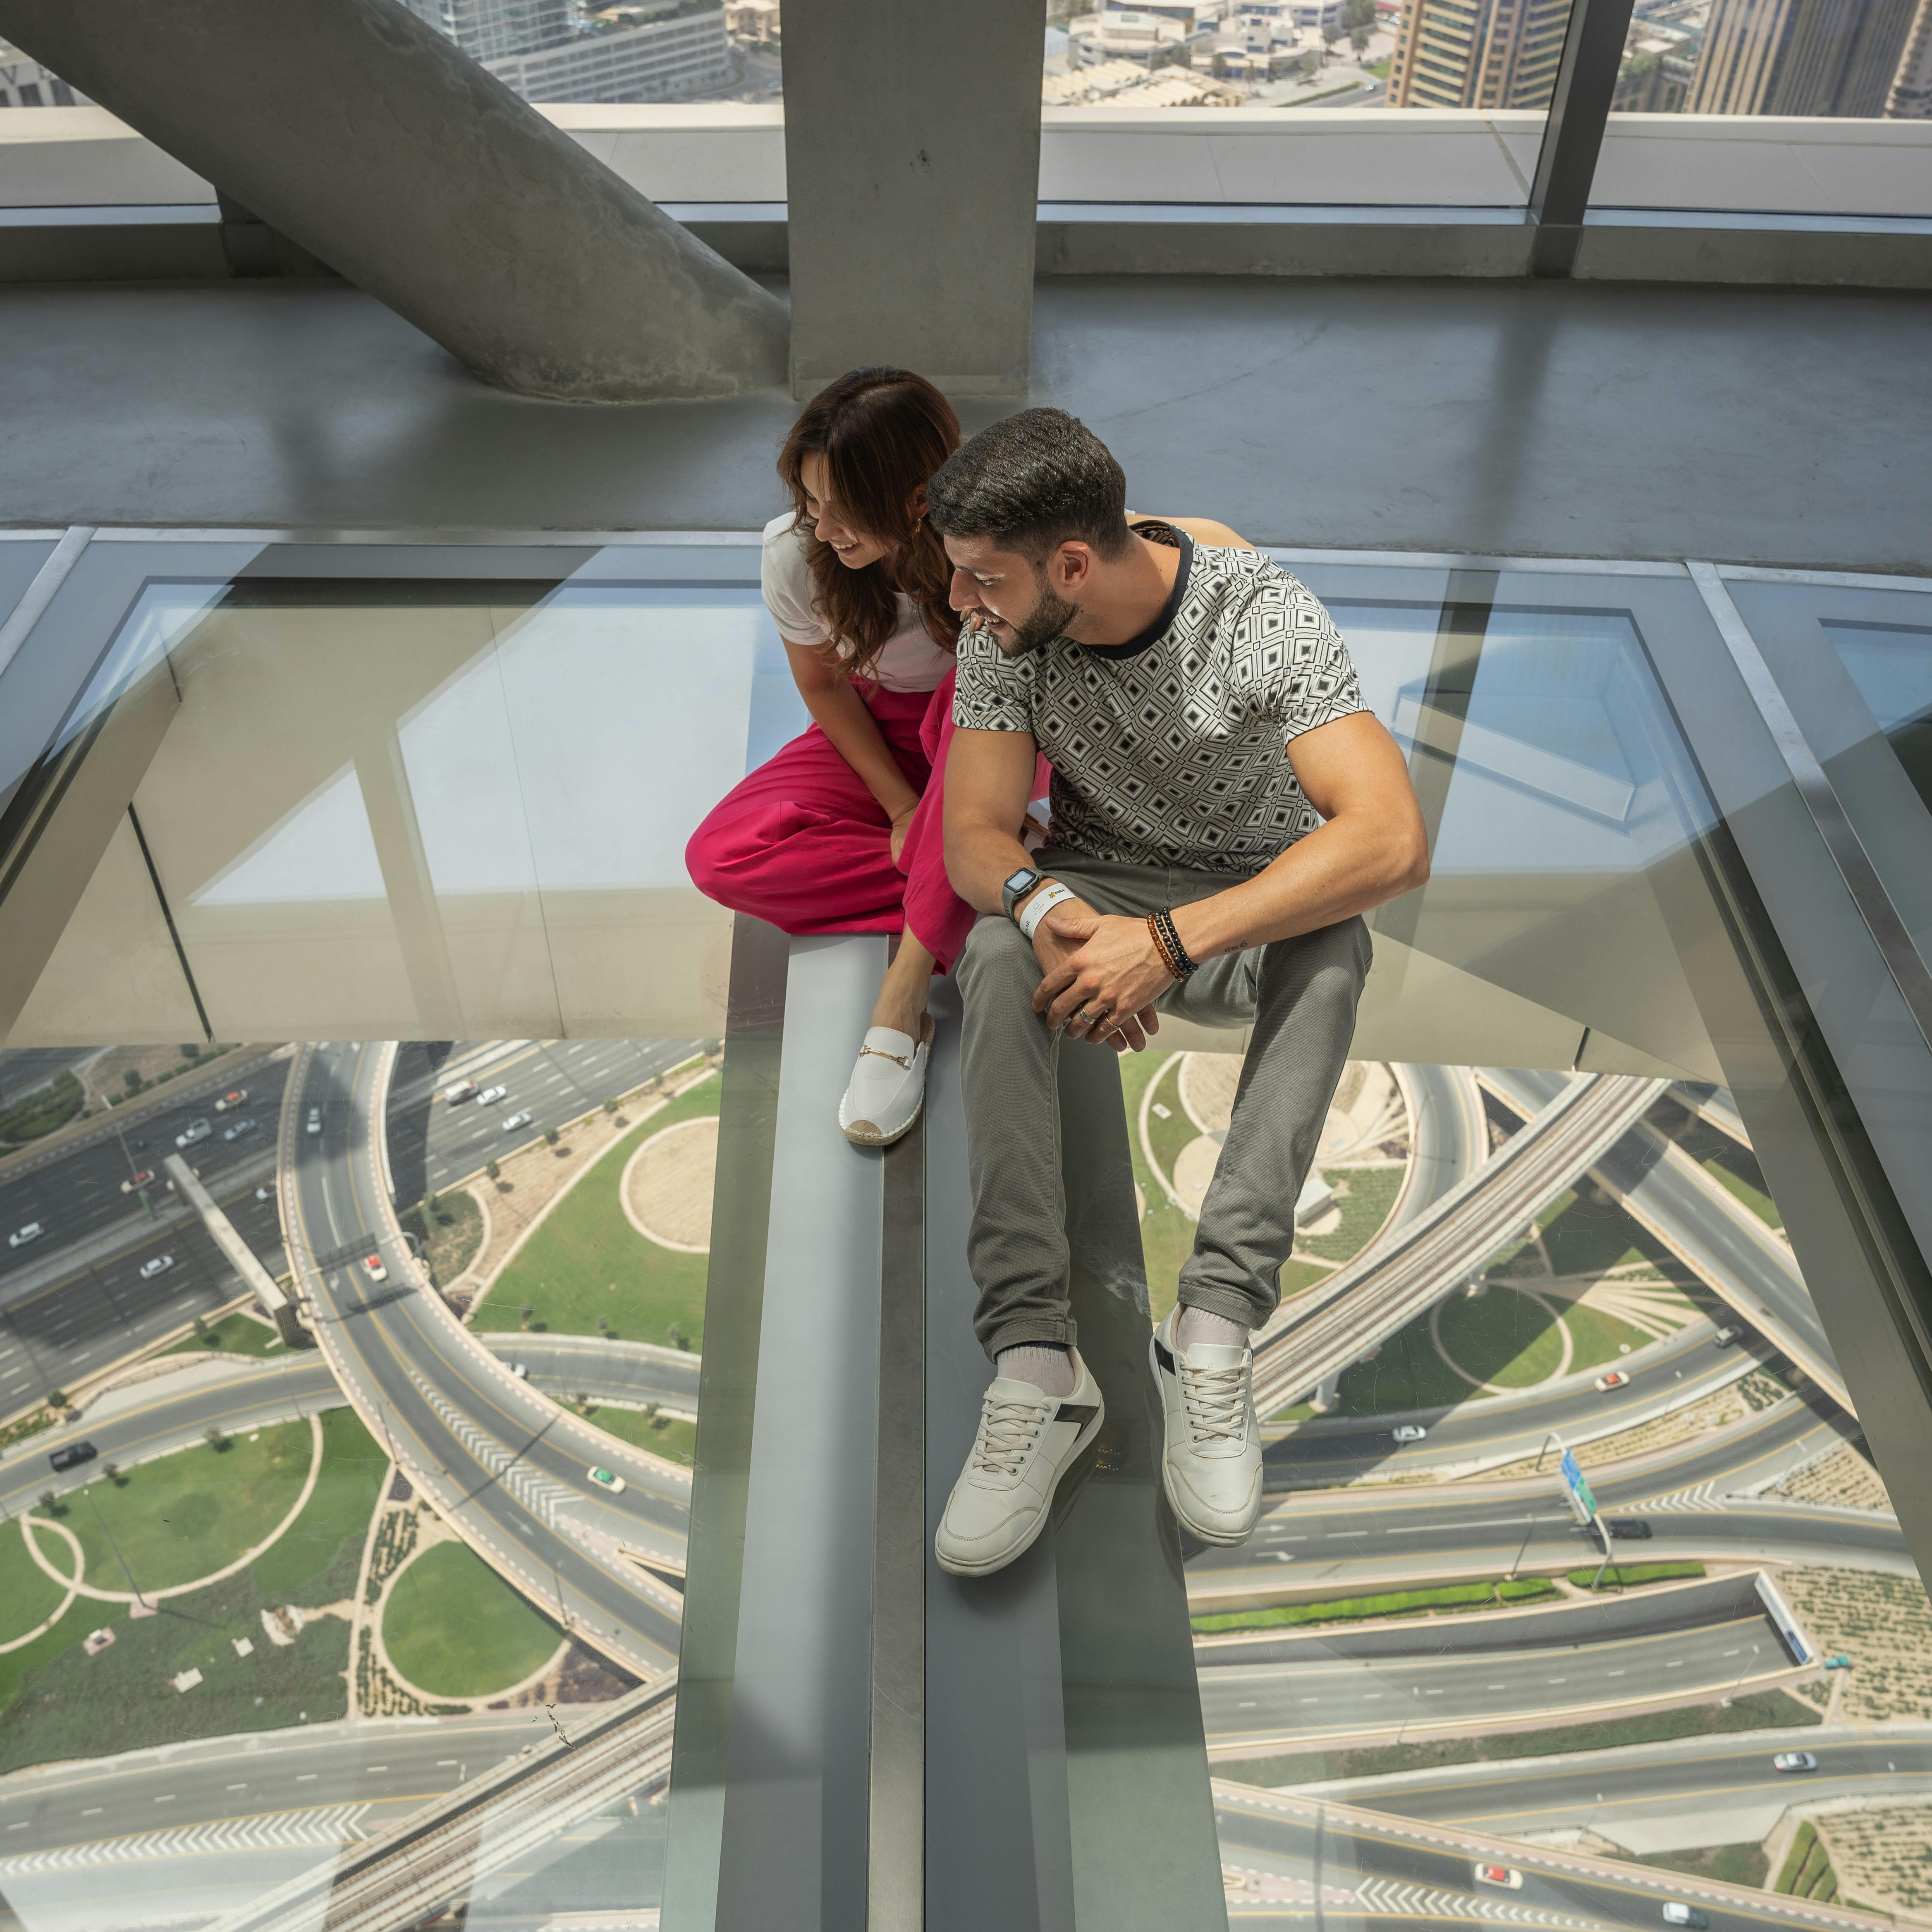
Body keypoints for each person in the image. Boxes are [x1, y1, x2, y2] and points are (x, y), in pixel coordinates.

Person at [925, 407, 1430, 1579]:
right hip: (1097, 886)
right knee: (997, 949)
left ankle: (1212, 1328)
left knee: (1336, 946)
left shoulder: (1262, 615)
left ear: (1071, 565)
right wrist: (1053, 913)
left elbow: (1393, 841)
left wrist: (1165, 942)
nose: (961, 608)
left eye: (980, 581)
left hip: (1248, 900)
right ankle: (1035, 1364)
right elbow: (976, 835)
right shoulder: (1005, 632)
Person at [686, 366, 1011, 1147]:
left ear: (919, 494)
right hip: (881, 726)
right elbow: (826, 688)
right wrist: (904, 809)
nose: (822, 527)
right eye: (810, 502)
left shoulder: (1001, 541)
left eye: (843, 507)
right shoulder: (795, 554)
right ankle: (982, 875)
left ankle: (903, 997)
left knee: (960, 719)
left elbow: (1013, 698)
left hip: (995, 725)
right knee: (721, 857)